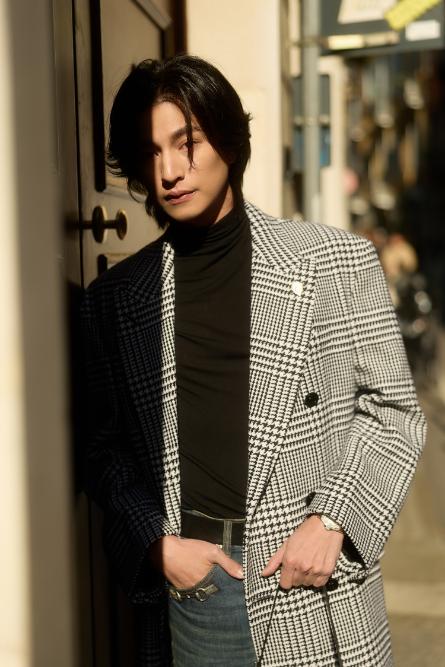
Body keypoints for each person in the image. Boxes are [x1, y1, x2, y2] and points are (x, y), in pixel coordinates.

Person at [81, 54, 426, 667]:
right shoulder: (117, 299)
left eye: (186, 143)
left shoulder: (332, 261)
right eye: (151, 152)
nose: (170, 171)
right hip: (198, 588)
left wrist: (333, 519)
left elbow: (394, 412)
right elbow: (104, 449)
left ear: (228, 139)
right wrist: (157, 543)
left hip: (310, 583)